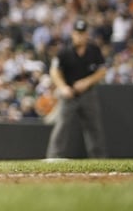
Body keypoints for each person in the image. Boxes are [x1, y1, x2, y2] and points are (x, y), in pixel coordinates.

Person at [46, 18, 108, 159]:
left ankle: (99, 160)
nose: (80, 36)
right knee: (62, 126)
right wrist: (63, 87)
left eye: (83, 33)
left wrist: (87, 82)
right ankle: (53, 158)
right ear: (73, 33)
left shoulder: (93, 50)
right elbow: (54, 71)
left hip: (88, 93)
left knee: (94, 127)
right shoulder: (64, 51)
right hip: (69, 94)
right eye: (78, 33)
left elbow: (102, 70)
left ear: (87, 34)